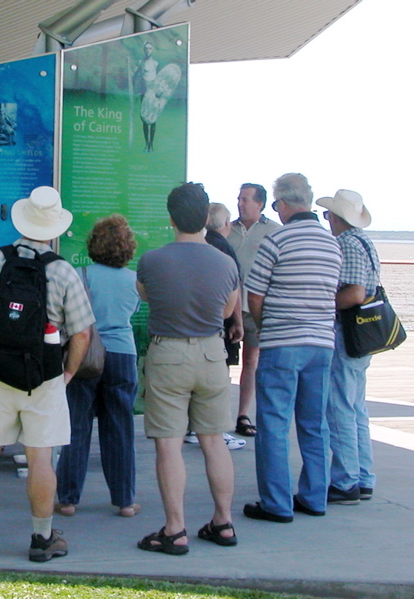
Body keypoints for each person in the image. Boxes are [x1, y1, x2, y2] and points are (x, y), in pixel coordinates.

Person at [0, 186, 94, 562]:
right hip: (43, 378)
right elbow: (81, 332)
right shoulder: (62, 270)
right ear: (55, 227)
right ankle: (41, 538)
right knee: (41, 460)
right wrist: (67, 374)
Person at [135, 183, 240, 555]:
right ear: (206, 219)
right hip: (212, 353)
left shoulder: (152, 260)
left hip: (169, 353)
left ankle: (175, 528)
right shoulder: (226, 262)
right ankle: (223, 521)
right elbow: (228, 311)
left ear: (171, 218)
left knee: (169, 445)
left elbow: (147, 295)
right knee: (214, 441)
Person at [243, 173, 341, 523]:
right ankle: (315, 497)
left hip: (283, 341)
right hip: (322, 345)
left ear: (283, 204)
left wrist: (264, 322)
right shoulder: (332, 244)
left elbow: (254, 294)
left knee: (273, 423)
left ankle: (276, 503)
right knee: (314, 424)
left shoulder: (278, 239)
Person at [54, 215, 141, 519]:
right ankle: (125, 500)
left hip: (86, 354)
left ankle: (67, 498)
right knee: (119, 427)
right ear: (128, 247)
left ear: (93, 244)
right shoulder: (134, 280)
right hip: (122, 355)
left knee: (76, 426)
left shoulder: (80, 275)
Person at [316, 190, 379, 504]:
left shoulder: (347, 244)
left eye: (329, 215)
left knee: (339, 407)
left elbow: (354, 294)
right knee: (356, 407)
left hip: (346, 333)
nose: (327, 220)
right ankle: (363, 477)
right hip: (363, 335)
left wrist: (323, 304)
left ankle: (345, 481)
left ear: (336, 217)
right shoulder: (365, 241)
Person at [227, 183, 280, 438]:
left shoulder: (274, 232)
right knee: (222, 360)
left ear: (260, 203)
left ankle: (243, 414)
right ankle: (217, 415)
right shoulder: (228, 230)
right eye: (239, 198)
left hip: (257, 307)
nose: (240, 203)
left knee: (252, 361)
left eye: (246, 199)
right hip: (228, 308)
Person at [193, 202, 246, 450]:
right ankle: (215, 430)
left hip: (195, 323)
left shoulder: (200, 246)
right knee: (218, 378)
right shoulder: (224, 250)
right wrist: (237, 320)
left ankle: (193, 427)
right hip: (217, 324)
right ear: (225, 224)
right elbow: (234, 289)